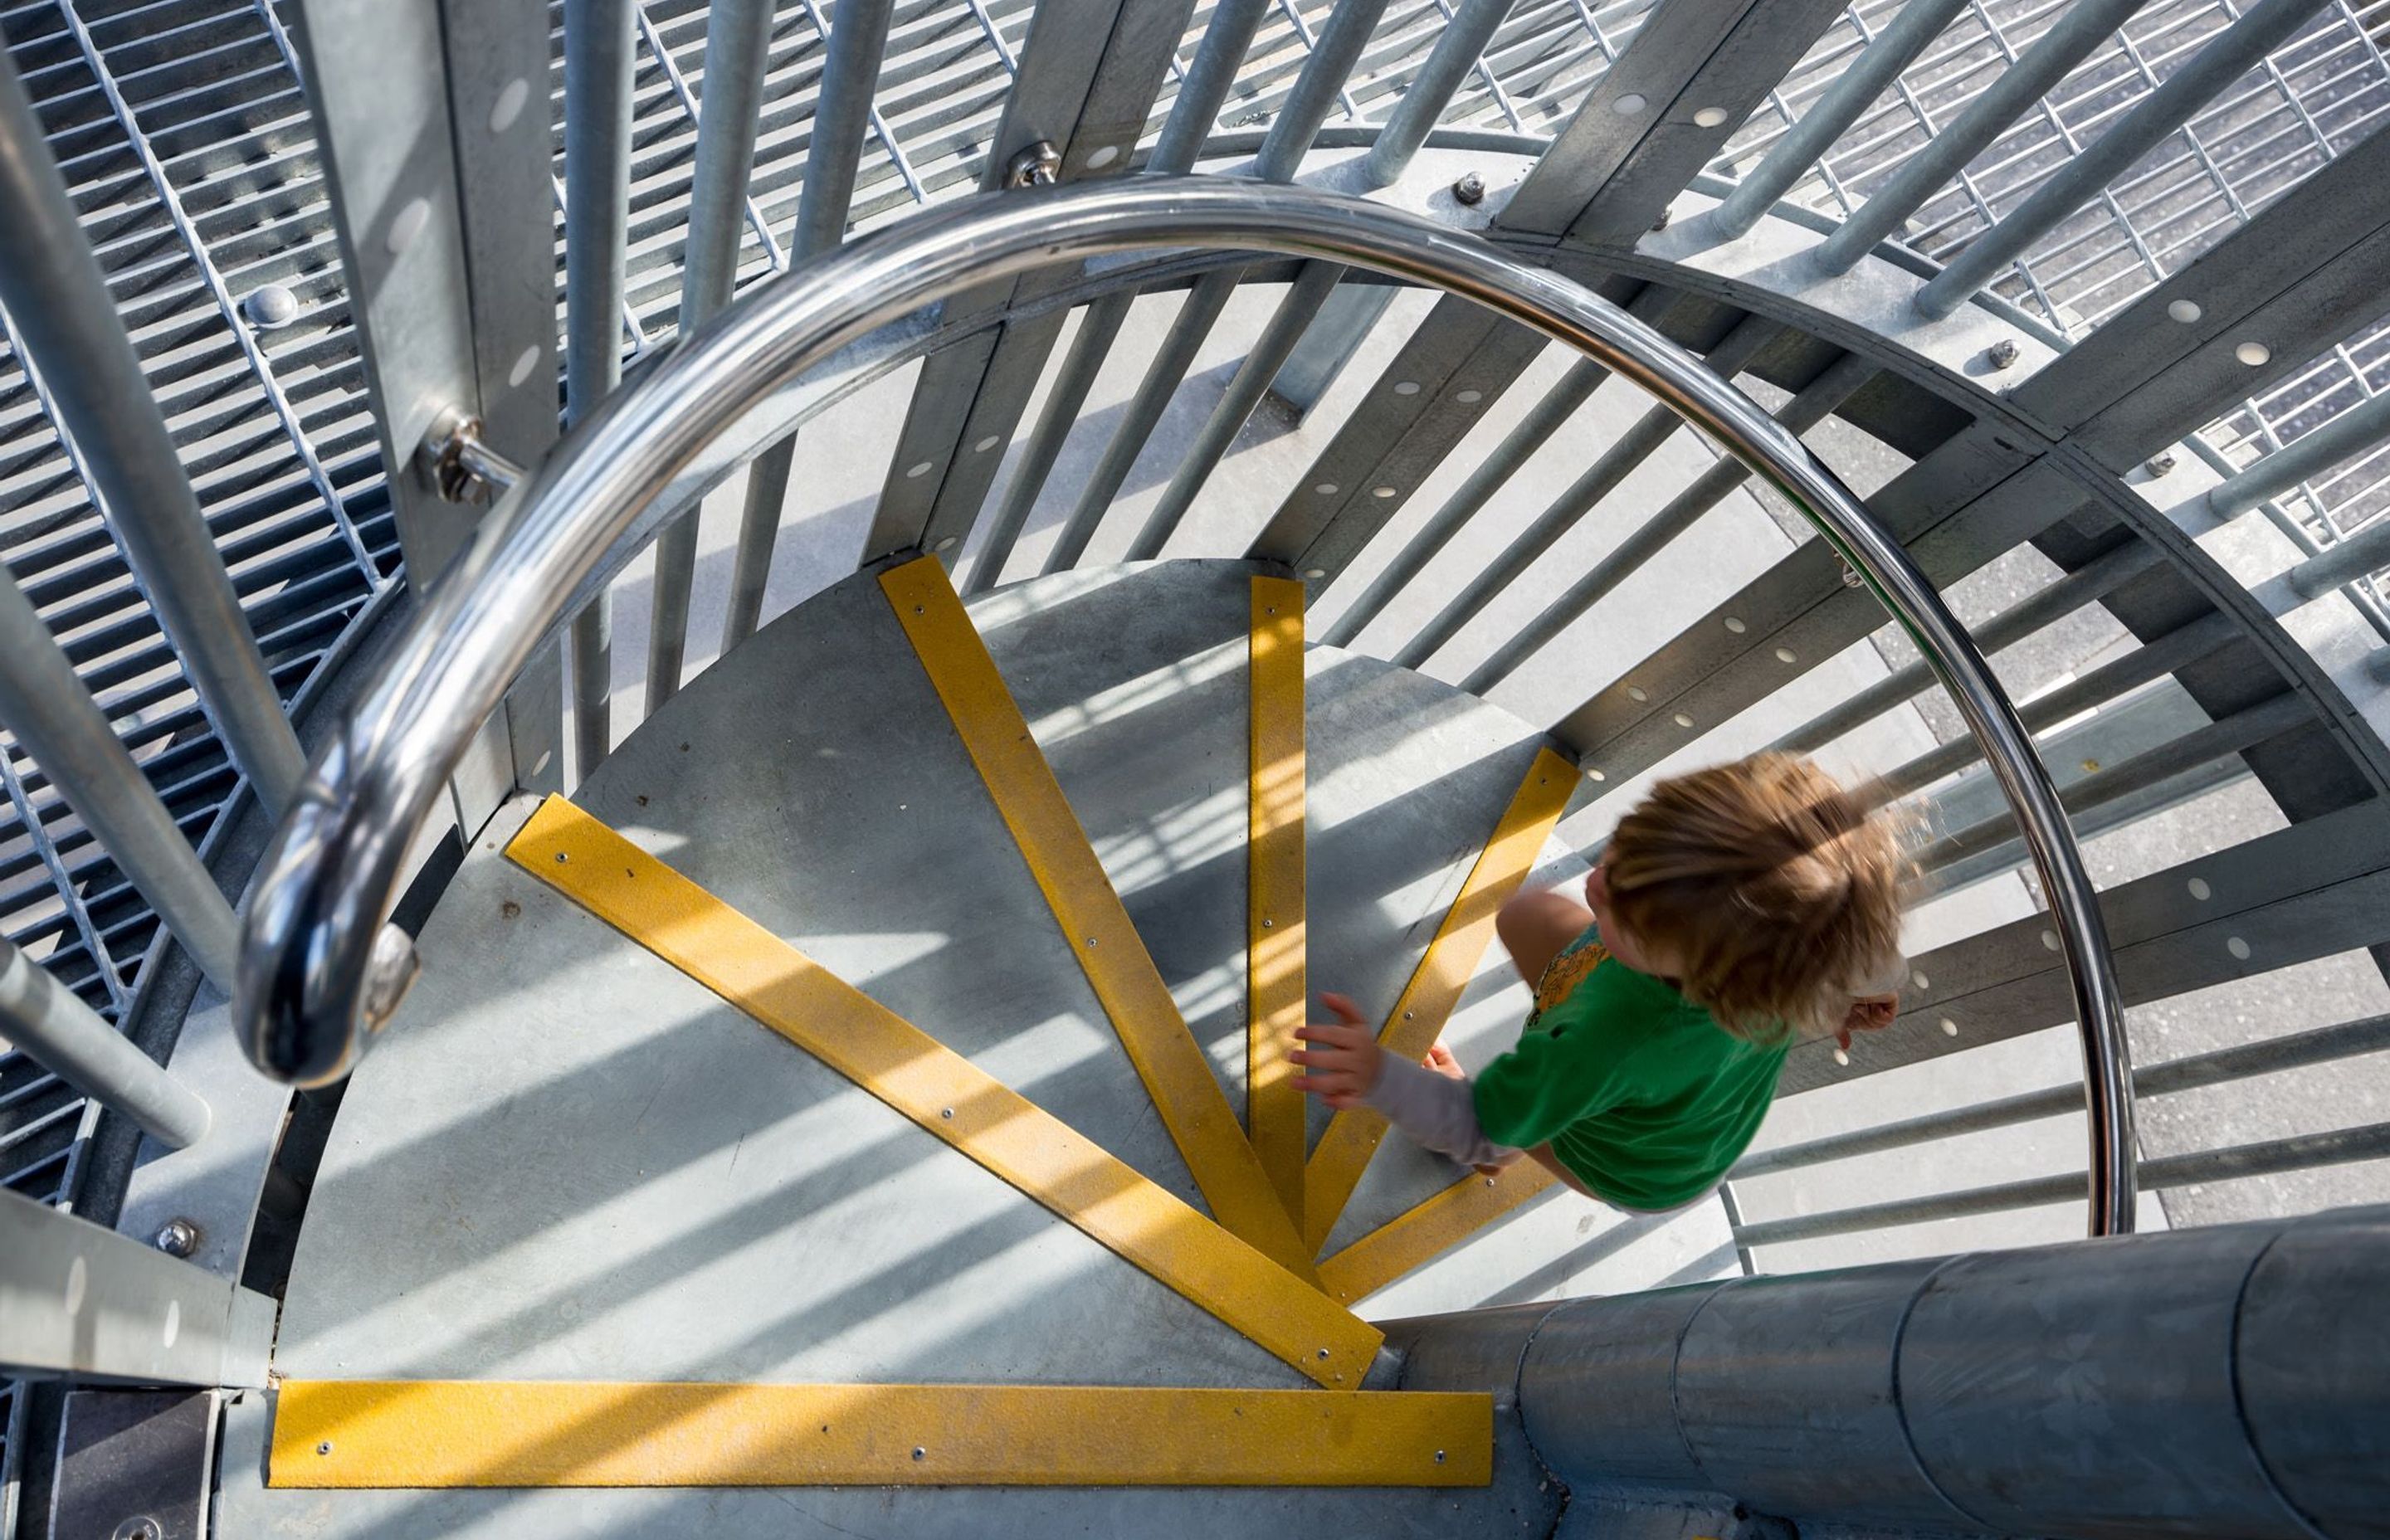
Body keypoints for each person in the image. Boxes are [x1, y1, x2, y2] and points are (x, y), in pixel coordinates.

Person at [1290, 753, 1908, 1214]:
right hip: (1690, 1120)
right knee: (1524, 915)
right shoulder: (1800, 962)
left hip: (1628, 1166)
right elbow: (1870, 961)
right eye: (1622, 853)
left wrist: (1377, 1075)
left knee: (1501, 1127)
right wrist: (1858, 1005)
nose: (1595, 884)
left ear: (1701, 972)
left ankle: (1504, 1149)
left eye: (1626, 913)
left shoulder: (1610, 1044)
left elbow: (1476, 1120)